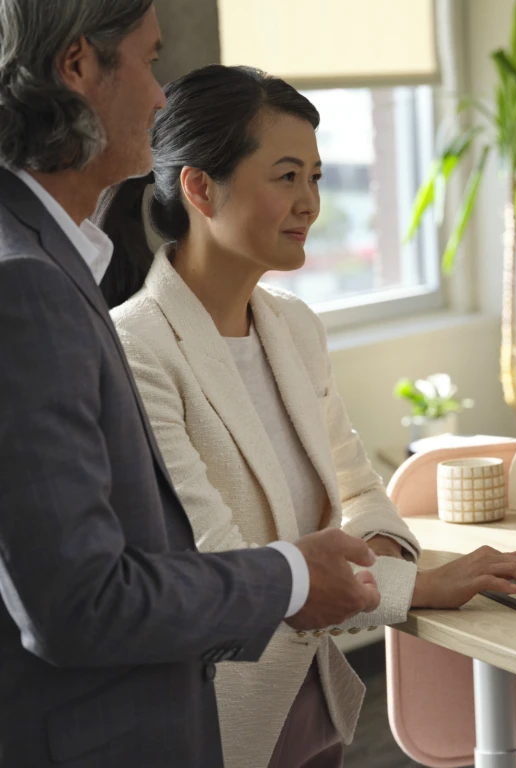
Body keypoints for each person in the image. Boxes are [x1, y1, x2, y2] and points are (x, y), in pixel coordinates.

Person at [103, 64, 516, 768]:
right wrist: (419, 586)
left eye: (315, 176)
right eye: (286, 177)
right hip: (218, 715)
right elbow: (221, 563)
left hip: (312, 701)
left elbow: (361, 493)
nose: (310, 202)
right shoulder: (135, 348)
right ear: (198, 187)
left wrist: (383, 560)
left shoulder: (294, 326)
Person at [0, 3, 393, 766]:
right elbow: (78, 603)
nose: (159, 96)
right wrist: (291, 574)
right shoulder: (30, 288)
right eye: (149, 61)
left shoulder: (55, 263)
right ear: (78, 67)